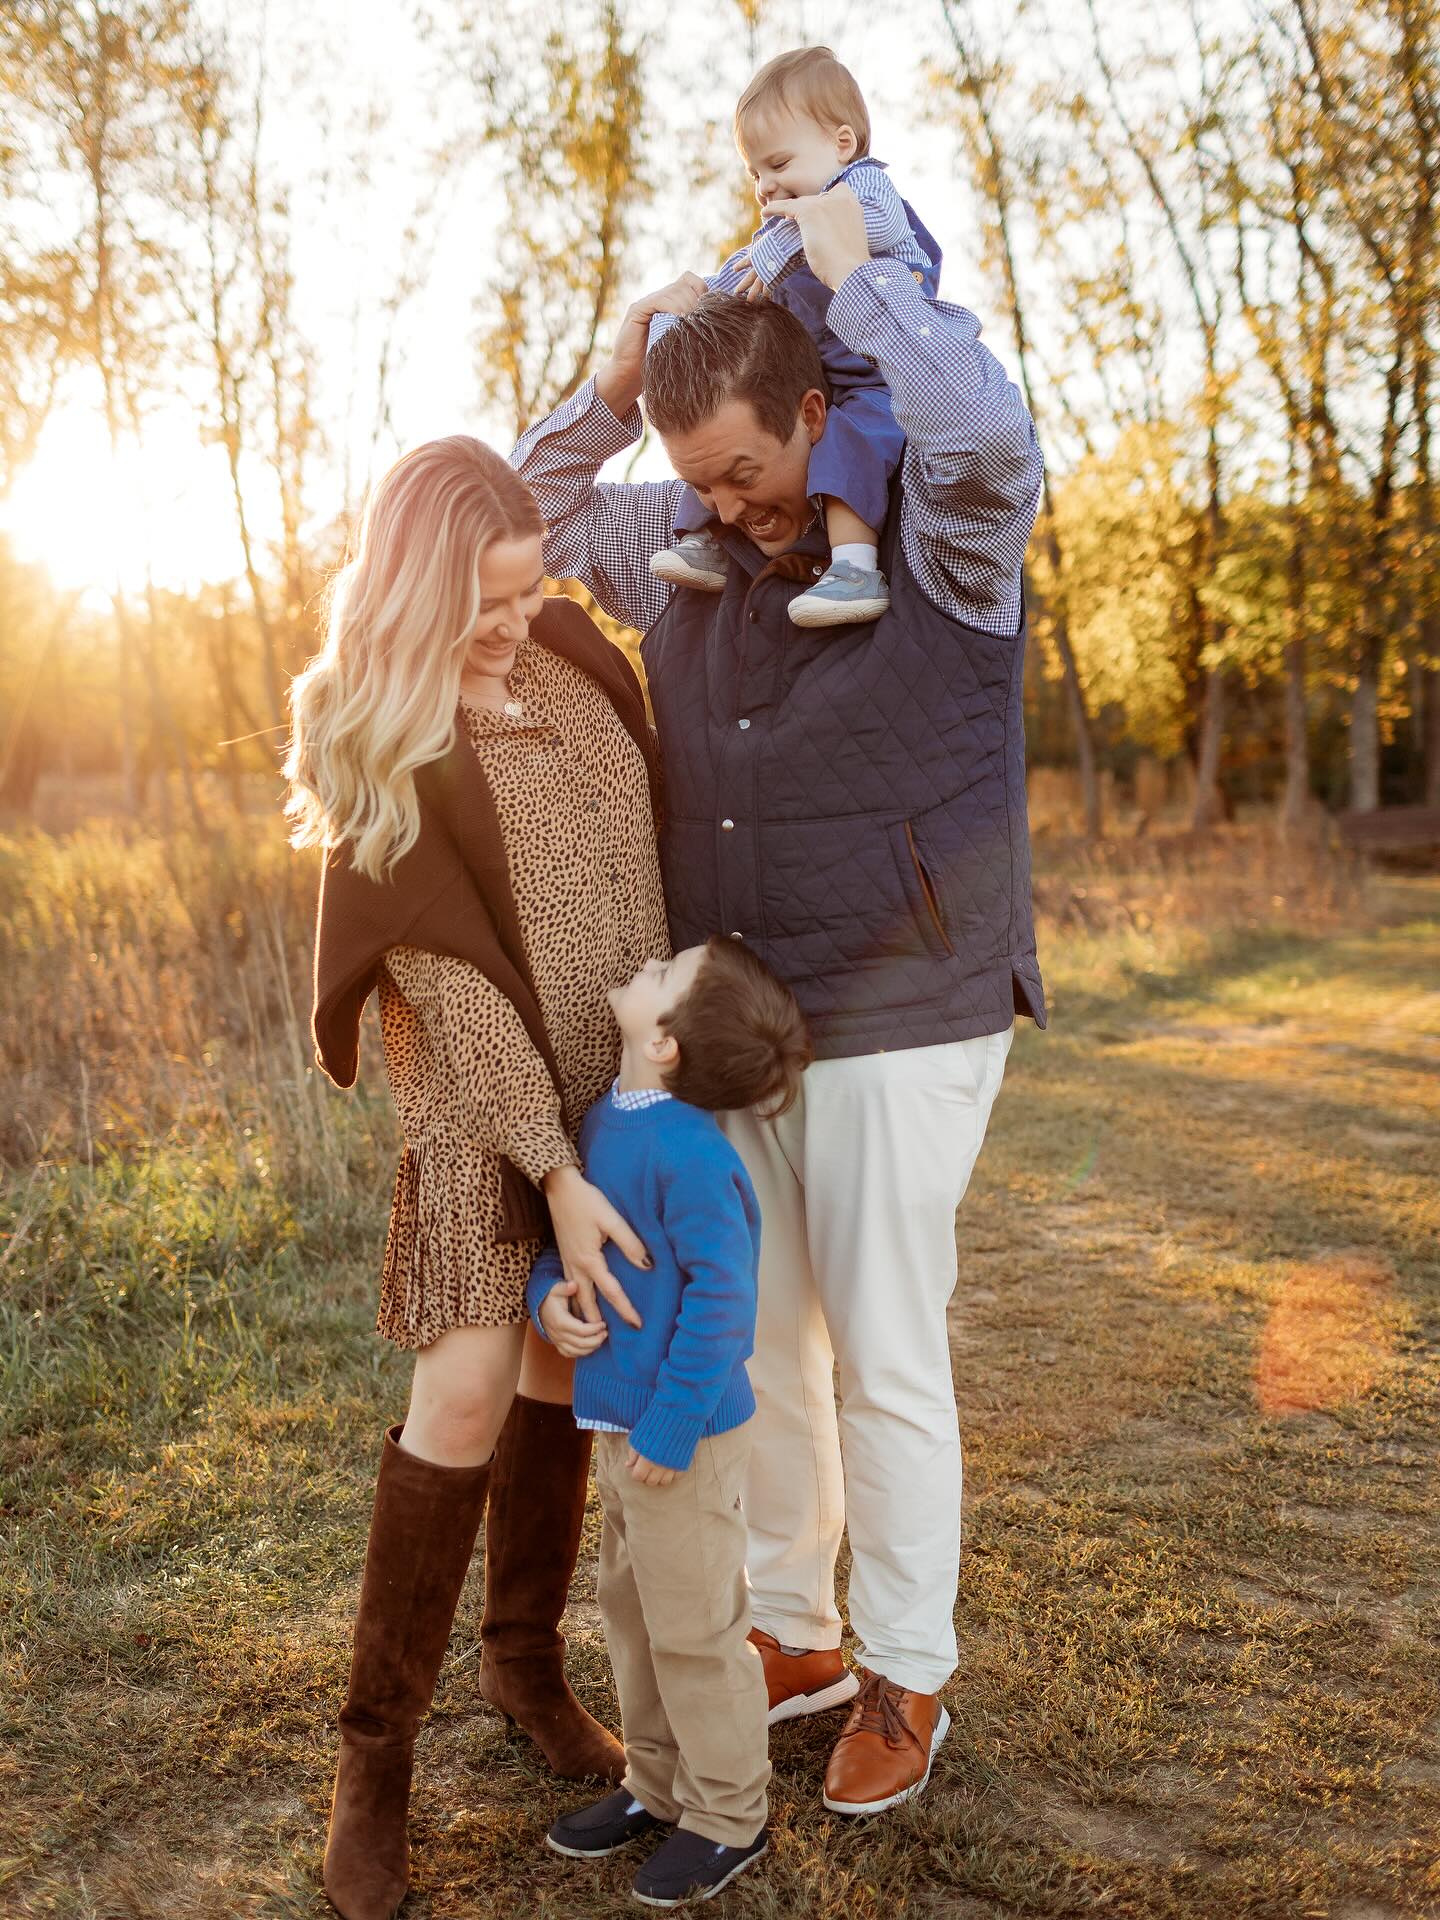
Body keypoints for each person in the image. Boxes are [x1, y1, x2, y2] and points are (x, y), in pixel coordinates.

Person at [509, 166, 1046, 1816]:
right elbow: (524, 519)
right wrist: (613, 389)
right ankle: (798, 1635)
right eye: (699, 478)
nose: (727, 504)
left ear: (817, 411)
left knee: (883, 1344)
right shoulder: (683, 532)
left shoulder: (939, 530)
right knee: (766, 1336)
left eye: (749, 466)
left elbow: (987, 436)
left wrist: (862, 275)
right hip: (737, 1017)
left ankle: (906, 1669)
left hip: (904, 996)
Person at [285, 436, 670, 1920]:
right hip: (485, 1104)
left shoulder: (574, 659)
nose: (514, 621)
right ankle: (371, 1762)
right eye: (485, 603)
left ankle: (525, 1668)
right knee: (463, 1388)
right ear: (416, 588)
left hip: (618, 1090)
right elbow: (443, 983)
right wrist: (554, 1168)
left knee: (565, 1379)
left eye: (525, 592)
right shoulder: (373, 733)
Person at [526, 937, 809, 1906]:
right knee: (634, 1618)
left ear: (665, 1041)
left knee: (696, 1630)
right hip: (620, 1423)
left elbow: (724, 1306)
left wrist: (670, 1426)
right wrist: (549, 1302)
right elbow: (567, 1249)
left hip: (676, 1436)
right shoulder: (603, 1122)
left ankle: (729, 1814)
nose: (648, 960)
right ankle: (655, 1785)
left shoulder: (691, 1154)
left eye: (665, 970)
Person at [649, 44, 941, 630]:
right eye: (756, 172)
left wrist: (787, 238)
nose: (764, 185)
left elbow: (863, 224)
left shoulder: (866, 190)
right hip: (818, 373)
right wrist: (686, 313)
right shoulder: (779, 229)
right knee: (710, 447)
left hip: (879, 373)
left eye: (778, 164)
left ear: (842, 143)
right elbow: (742, 274)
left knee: (846, 436)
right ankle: (704, 538)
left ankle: (856, 564)